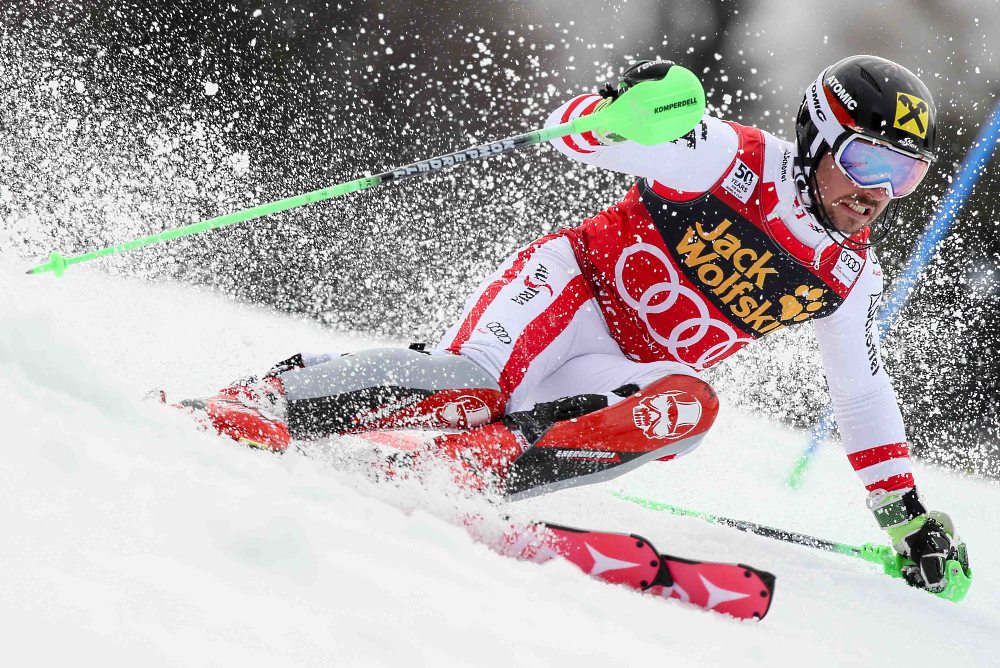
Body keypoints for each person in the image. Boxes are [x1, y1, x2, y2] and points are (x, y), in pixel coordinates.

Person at [182, 55, 968, 595]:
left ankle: (466, 470)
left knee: (689, 407)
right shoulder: (731, 158)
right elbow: (574, 136)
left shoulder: (848, 275)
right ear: (820, 138)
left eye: (905, 177)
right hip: (570, 296)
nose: (879, 194)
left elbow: (862, 397)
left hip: (614, 375)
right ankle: (273, 397)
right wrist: (618, 110)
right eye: (869, 163)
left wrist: (905, 517)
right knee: (474, 386)